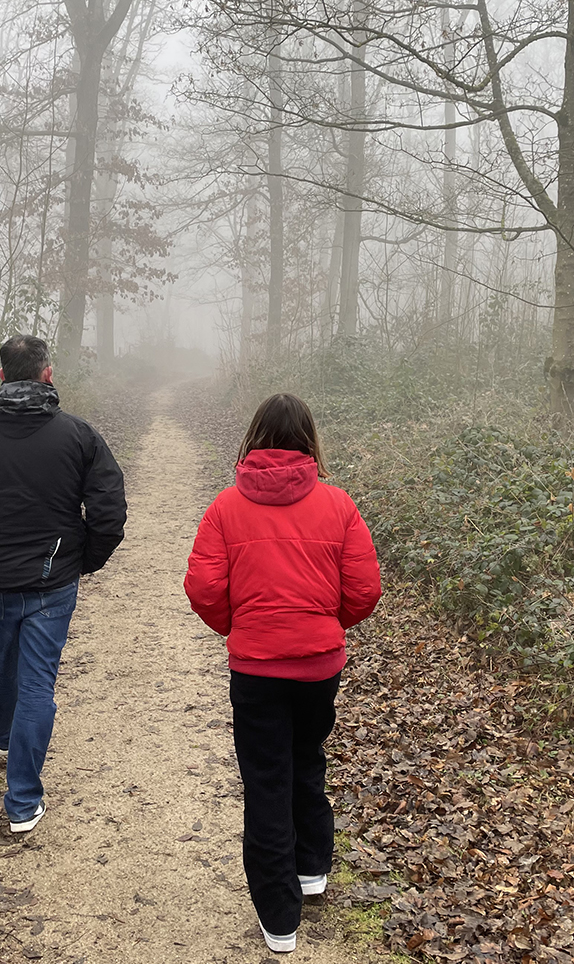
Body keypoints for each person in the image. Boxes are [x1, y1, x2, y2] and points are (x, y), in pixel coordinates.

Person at [183, 393, 382, 954]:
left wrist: (240, 628)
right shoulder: (338, 505)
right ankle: (312, 868)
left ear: (255, 440)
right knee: (307, 756)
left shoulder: (225, 508)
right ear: (308, 441)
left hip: (257, 669)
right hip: (320, 667)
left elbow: (202, 588)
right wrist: (324, 625)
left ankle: (279, 918)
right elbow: (365, 590)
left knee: (267, 779)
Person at [0, 335, 127, 834]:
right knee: (36, 682)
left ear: (0, 377)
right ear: (47, 374)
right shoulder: (79, 436)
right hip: (51, 582)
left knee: (2, 664)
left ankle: (4, 738)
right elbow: (109, 512)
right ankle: (21, 802)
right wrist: (84, 561)